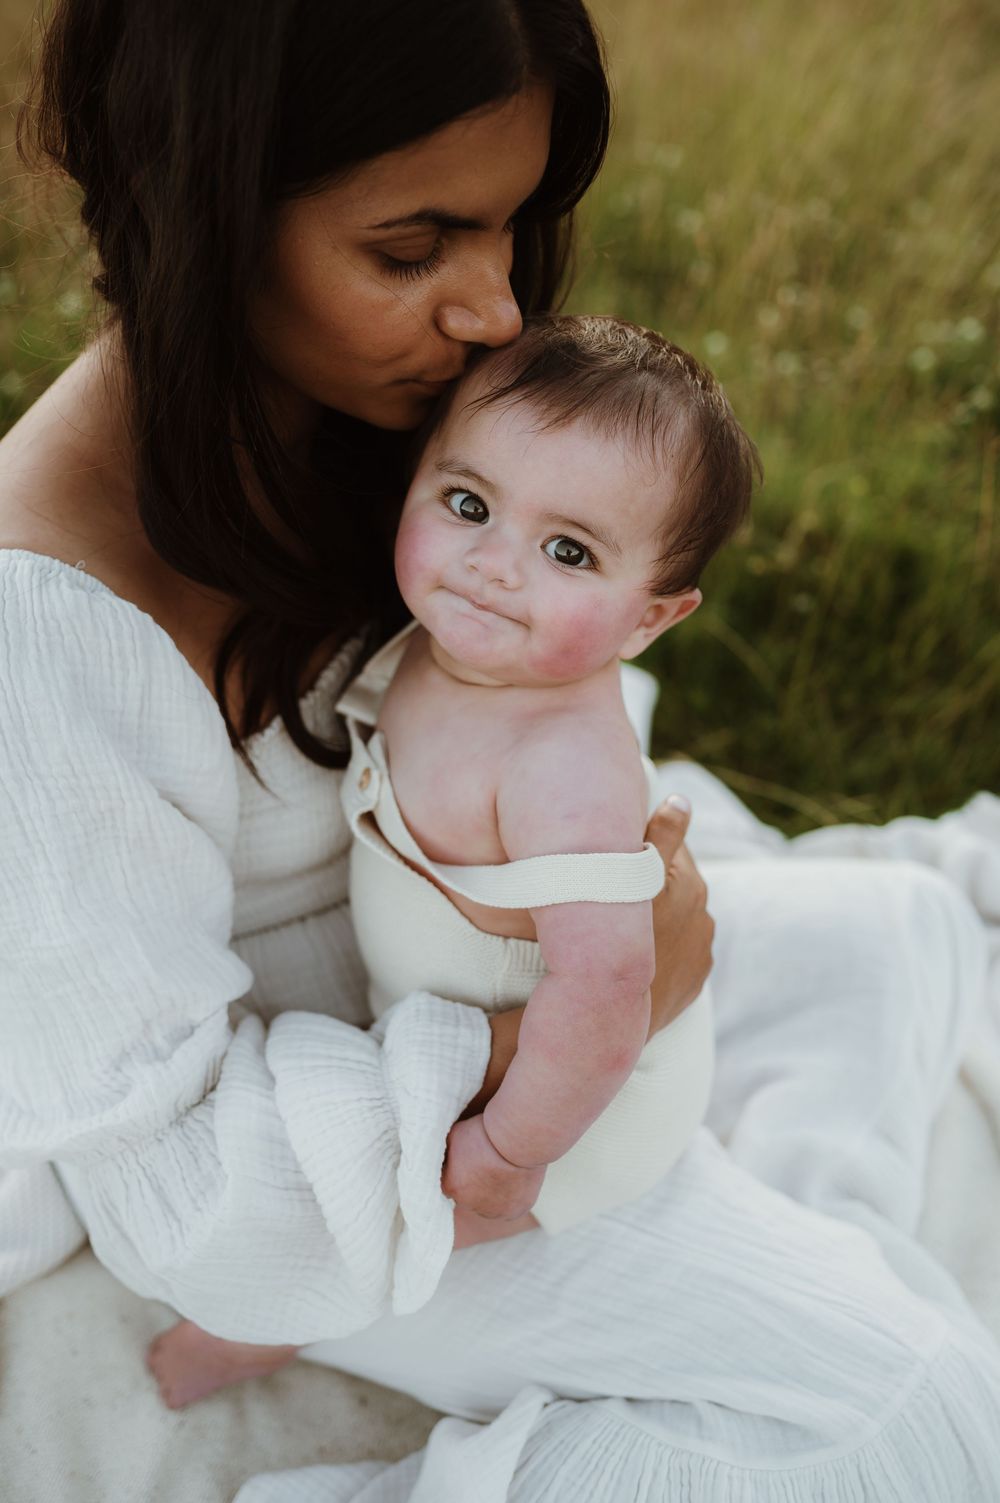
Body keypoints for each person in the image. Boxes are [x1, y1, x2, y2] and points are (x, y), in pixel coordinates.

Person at [1, 2, 999, 1500]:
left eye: (511, 231)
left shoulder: (350, 414)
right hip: (368, 1148)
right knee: (911, 1412)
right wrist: (557, 1048)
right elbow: (180, 1191)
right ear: (200, 206)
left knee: (892, 934)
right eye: (414, 251)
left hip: (463, 964)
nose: (490, 311)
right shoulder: (42, 637)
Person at [143, 312, 753, 1405]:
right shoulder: (443, 644)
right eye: (467, 504)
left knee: (401, 1205)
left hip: (581, 1095)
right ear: (416, 483)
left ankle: (270, 1329)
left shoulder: (561, 768)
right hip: (471, 1026)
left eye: (568, 552)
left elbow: (611, 983)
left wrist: (512, 1154)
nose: (491, 565)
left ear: (649, 620)